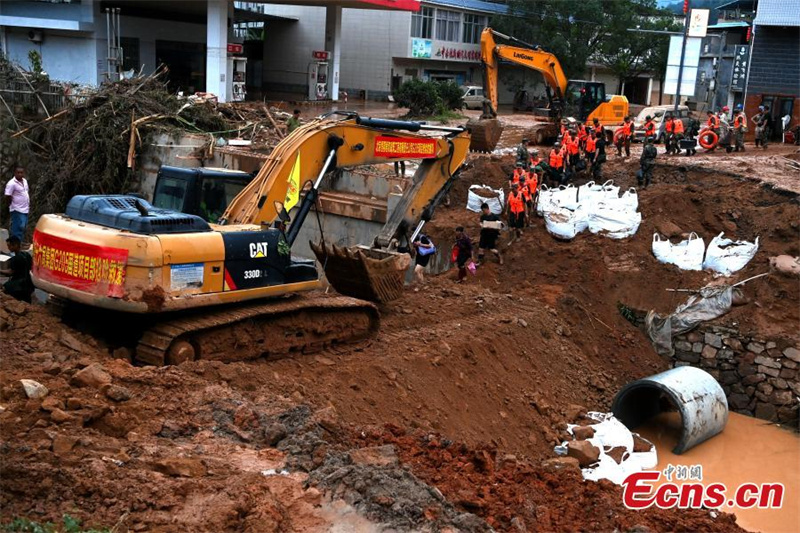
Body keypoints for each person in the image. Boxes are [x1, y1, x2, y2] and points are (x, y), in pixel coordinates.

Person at [1, 235, 34, 303]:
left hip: (19, 285)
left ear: (15, 245)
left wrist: (0, 271)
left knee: (5, 287)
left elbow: (10, 272)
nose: (8, 248)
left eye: (9, 246)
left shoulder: (16, 258)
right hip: (29, 284)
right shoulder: (26, 255)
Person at [4, 166, 30, 243]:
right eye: (18, 172)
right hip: (16, 209)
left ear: (23, 173)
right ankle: (13, 247)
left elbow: (25, 192)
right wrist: (11, 205)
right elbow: (7, 195)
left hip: (25, 209)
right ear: (15, 173)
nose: (20, 174)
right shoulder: (11, 183)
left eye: (21, 172)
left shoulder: (25, 181)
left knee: (23, 228)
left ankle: (18, 245)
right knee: (17, 228)